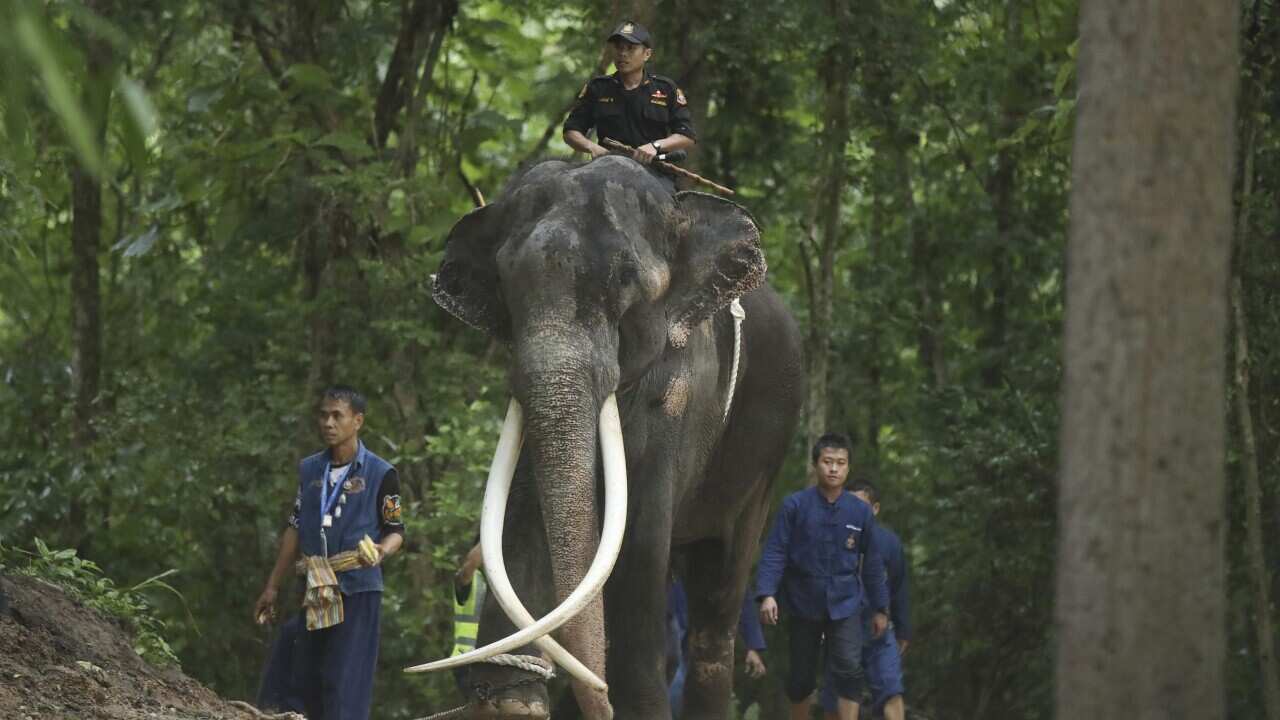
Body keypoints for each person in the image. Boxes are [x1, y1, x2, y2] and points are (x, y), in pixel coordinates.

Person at [253, 385, 405, 720]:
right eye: (323, 415)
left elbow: (396, 530)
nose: (328, 423)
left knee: (345, 681)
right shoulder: (309, 471)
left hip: (358, 587)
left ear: (358, 421)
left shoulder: (381, 473)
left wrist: (381, 551)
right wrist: (272, 586)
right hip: (316, 586)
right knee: (304, 677)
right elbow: (294, 527)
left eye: (338, 416)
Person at [755, 433, 889, 720]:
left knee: (850, 670)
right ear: (816, 464)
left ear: (848, 468)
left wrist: (880, 608)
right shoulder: (795, 506)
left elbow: (874, 563)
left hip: (846, 603)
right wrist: (767, 594)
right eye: (827, 461)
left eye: (840, 463)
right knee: (801, 678)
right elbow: (775, 551)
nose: (834, 468)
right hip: (804, 602)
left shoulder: (860, 512)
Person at [819, 479, 911, 720]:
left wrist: (903, 630)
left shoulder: (889, 543)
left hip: (878, 630)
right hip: (840, 627)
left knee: (891, 690)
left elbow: (898, 587)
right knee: (836, 698)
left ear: (875, 509)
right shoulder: (832, 539)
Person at [562, 20, 696, 184]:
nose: (623, 53)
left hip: (654, 176)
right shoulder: (597, 88)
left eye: (630, 48)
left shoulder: (665, 88)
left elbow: (686, 136)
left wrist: (655, 146)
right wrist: (592, 147)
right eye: (619, 48)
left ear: (647, 54)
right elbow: (571, 131)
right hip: (605, 172)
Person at [451, 539, 486, 694]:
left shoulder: (504, 581)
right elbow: (469, 566)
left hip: (491, 658)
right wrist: (491, 535)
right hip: (466, 659)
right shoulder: (471, 578)